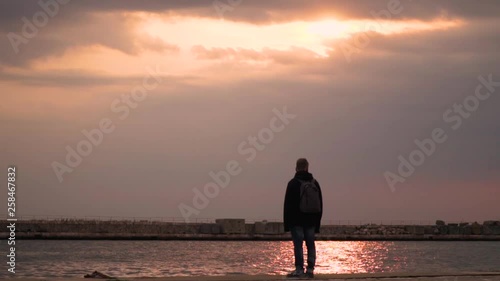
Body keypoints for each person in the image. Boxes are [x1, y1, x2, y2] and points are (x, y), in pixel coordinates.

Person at [283, 158, 323, 278]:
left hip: (296, 221)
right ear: (307, 167)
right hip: (311, 221)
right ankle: (310, 270)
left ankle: (299, 270)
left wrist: (287, 224)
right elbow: (320, 204)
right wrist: (317, 223)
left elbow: (287, 205)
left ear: (296, 168)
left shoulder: (292, 183)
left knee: (298, 245)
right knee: (310, 244)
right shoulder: (315, 183)